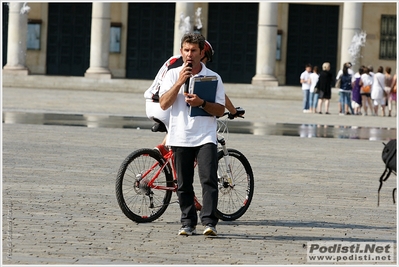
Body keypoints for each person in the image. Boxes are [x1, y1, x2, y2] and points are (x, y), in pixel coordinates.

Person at [159, 33, 224, 236]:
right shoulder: (171, 75)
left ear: (201, 52)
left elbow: (220, 110)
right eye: (186, 50)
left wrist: (201, 103)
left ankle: (209, 222)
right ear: (181, 52)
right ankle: (187, 222)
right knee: (184, 183)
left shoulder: (214, 77)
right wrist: (179, 83)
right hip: (180, 136)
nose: (189, 54)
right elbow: (163, 103)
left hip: (205, 136)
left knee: (208, 180)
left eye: (194, 50)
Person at [144, 40, 241, 155]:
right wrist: (233, 111)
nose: (204, 63)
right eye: (205, 59)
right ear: (202, 54)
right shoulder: (188, 67)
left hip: (150, 103)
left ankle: (164, 152)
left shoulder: (174, 60)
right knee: (182, 128)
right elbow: (218, 94)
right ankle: (165, 150)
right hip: (164, 105)